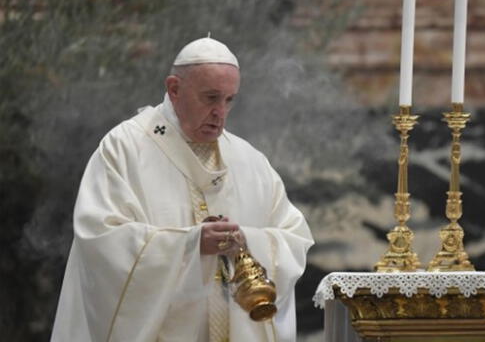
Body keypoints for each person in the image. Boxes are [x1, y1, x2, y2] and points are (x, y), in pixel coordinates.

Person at [51, 37, 314, 342]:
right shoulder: (125, 148)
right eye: (211, 97)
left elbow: (293, 237)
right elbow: (101, 240)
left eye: (229, 100)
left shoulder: (249, 161)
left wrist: (246, 241)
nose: (221, 112)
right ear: (174, 89)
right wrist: (190, 244)